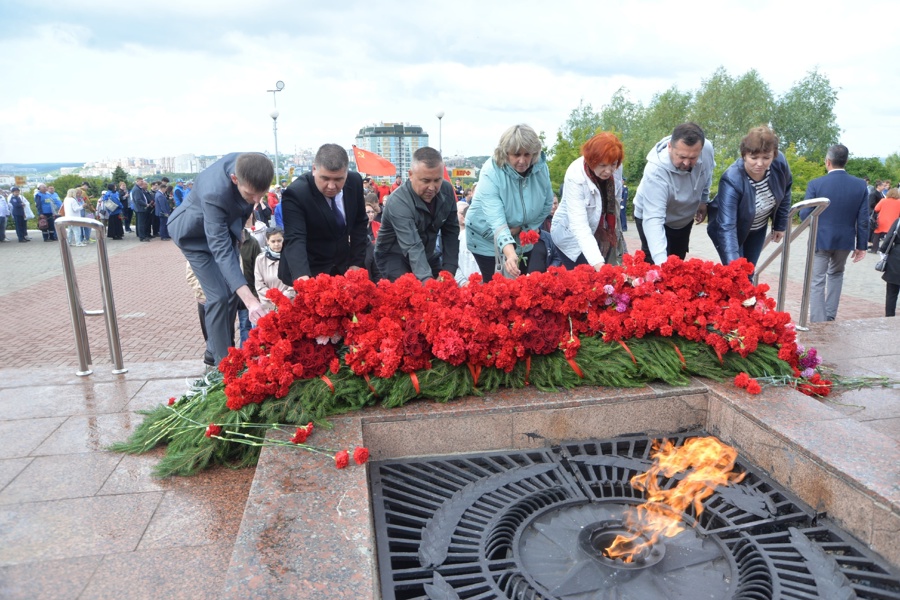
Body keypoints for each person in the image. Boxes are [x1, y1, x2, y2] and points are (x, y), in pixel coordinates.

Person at [167, 152, 273, 365]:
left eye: (261, 195)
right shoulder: (214, 191)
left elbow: (241, 209)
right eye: (251, 195)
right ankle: (224, 365)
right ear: (235, 179)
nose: (256, 202)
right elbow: (220, 250)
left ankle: (217, 348)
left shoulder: (251, 165)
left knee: (233, 293)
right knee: (218, 296)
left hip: (225, 231)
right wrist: (252, 301)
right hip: (193, 236)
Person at [464, 124, 554, 280]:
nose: (522, 160)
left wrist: (525, 228)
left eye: (527, 154)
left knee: (518, 286)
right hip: (486, 236)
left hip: (522, 235)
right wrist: (510, 252)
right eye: (516, 154)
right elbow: (495, 218)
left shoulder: (541, 168)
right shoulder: (490, 171)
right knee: (497, 290)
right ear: (505, 154)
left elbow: (546, 205)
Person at [278, 143, 368, 285]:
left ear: (346, 173)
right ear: (314, 169)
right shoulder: (296, 193)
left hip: (343, 268)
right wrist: (303, 279)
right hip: (309, 268)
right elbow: (295, 238)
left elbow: (359, 223)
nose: (331, 186)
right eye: (325, 178)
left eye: (338, 179)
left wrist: (356, 263)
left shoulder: (355, 181)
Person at [800, 144, 869, 323]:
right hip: (845, 240)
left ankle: (818, 321)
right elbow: (863, 219)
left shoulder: (816, 184)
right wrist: (861, 246)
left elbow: (804, 214)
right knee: (837, 275)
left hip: (820, 238)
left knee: (817, 280)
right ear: (846, 161)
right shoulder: (860, 185)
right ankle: (830, 316)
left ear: (827, 161)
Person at [707, 126, 792, 268]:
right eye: (754, 158)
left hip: (758, 227)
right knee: (737, 273)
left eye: (766, 158)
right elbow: (727, 227)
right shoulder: (731, 179)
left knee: (749, 271)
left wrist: (780, 224)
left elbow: (786, 190)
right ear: (744, 155)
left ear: (774, 155)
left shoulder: (780, 164)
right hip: (730, 230)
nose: (760, 163)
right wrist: (734, 269)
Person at [632, 122, 715, 264]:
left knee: (677, 261)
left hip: (683, 218)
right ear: (670, 147)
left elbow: (707, 173)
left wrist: (703, 200)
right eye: (681, 157)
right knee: (654, 262)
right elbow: (654, 219)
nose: (687, 163)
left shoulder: (706, 148)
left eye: (693, 158)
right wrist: (662, 266)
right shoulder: (655, 171)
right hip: (652, 216)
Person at [374, 147, 459, 282]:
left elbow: (451, 233)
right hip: (395, 256)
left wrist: (448, 272)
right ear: (411, 174)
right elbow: (412, 245)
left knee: (446, 291)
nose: (432, 187)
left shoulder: (447, 190)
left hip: (427, 254)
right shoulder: (398, 201)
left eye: (437, 180)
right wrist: (427, 281)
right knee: (411, 295)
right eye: (425, 181)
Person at [551, 132, 624, 270]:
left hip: (601, 234)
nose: (608, 171)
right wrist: (599, 265)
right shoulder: (575, 176)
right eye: (602, 165)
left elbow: (615, 204)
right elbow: (579, 227)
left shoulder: (616, 167)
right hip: (571, 238)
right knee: (585, 281)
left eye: (613, 164)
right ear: (591, 160)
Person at [255, 226, 295, 310]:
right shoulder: (260, 259)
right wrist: (273, 299)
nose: (276, 244)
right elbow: (259, 285)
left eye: (279, 241)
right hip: (269, 307)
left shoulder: (292, 258)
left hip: (289, 305)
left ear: (283, 240)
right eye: (273, 241)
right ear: (267, 241)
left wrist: (284, 297)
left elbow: (296, 281)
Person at [455, 201, 481, 285]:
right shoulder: (459, 238)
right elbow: (454, 264)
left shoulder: (489, 239)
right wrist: (463, 283)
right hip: (464, 288)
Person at [878, 217, 900, 317]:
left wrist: (883, 250)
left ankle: (890, 317)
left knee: (892, 292)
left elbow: (890, 237)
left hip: (896, 257)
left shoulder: (899, 220)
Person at [130, 178, 151, 242]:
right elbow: (138, 200)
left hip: (141, 208)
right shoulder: (136, 189)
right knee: (141, 224)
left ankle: (143, 236)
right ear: (137, 181)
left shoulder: (139, 188)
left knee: (142, 223)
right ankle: (142, 237)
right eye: (141, 181)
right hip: (140, 209)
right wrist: (145, 204)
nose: (142, 182)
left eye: (142, 181)